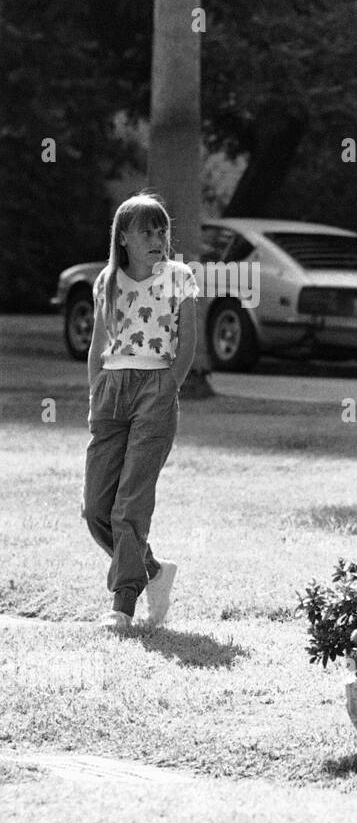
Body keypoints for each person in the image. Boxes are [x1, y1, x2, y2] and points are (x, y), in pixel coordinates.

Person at [84, 193, 198, 629]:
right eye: (146, 232)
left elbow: (187, 343)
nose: (157, 238)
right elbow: (98, 345)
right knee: (96, 508)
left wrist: (168, 385)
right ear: (124, 238)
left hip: (156, 387)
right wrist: (96, 390)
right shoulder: (106, 281)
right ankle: (151, 569)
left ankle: (123, 602)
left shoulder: (178, 276)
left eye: (162, 230)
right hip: (111, 389)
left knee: (129, 502)